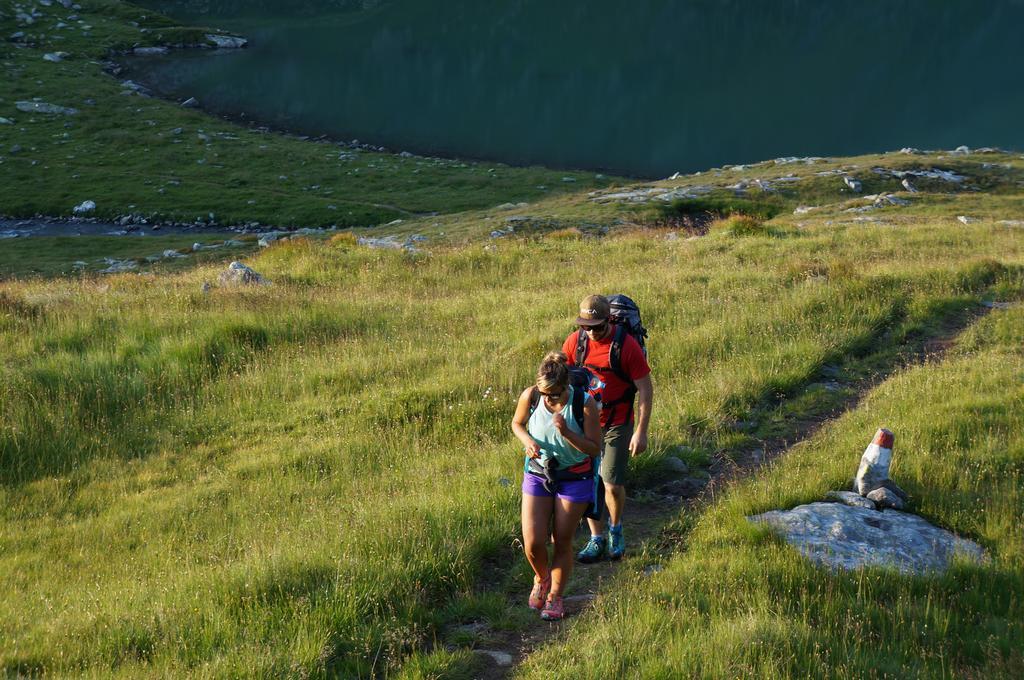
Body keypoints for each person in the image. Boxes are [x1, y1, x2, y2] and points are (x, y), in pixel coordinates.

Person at [511, 351, 602, 620]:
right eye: (545, 394)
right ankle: (542, 578)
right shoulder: (532, 396)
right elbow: (516, 423)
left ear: (567, 386)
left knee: (562, 540)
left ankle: (555, 599)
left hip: (574, 477)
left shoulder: (584, 404)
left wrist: (567, 433)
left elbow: (594, 449)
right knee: (532, 543)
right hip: (538, 474)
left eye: (555, 395)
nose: (550, 400)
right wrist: (526, 440)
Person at [564, 294, 652, 562]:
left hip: (617, 421)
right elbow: (563, 381)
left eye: (597, 327)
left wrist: (641, 431)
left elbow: (645, 390)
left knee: (611, 482)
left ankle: (615, 530)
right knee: (588, 481)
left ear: (609, 321)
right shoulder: (574, 342)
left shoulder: (625, 346)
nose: (591, 333)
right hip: (584, 422)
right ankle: (596, 537)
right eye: (585, 326)